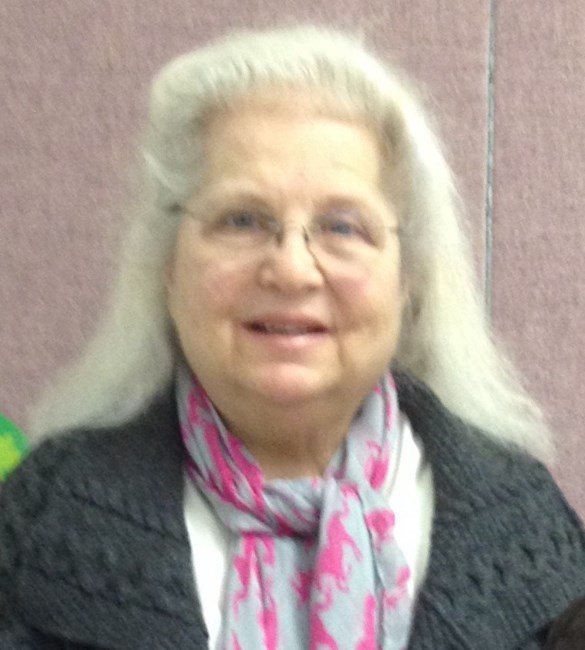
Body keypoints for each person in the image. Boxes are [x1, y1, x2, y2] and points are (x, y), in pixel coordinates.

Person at [1, 25, 584, 650]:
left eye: (342, 227)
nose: (292, 269)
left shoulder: (534, 544)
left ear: (408, 278)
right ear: (167, 265)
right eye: (242, 220)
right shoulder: (36, 531)